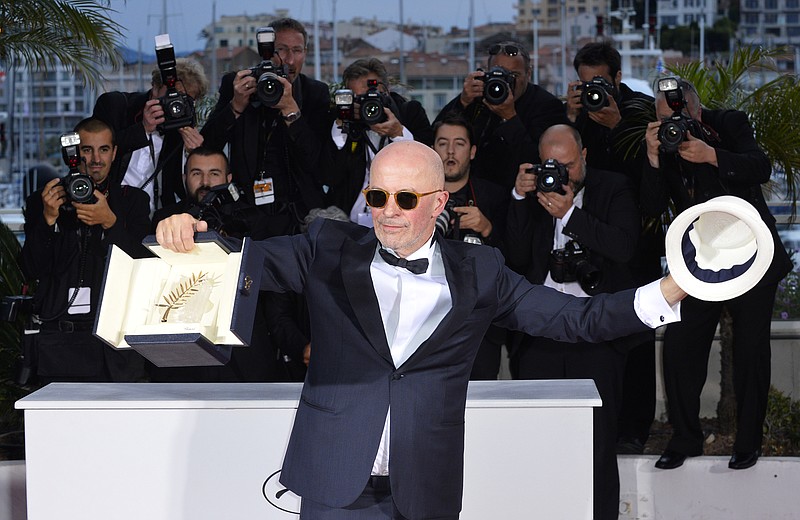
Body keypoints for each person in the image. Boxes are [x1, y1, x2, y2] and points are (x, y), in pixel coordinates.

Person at [156, 140, 686, 519]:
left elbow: (575, 318)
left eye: (405, 199)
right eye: (377, 197)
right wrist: (195, 234)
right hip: (334, 480)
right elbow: (245, 263)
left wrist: (670, 289)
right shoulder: (327, 246)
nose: (387, 212)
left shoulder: (481, 271)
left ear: (438, 203)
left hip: (424, 486)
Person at [641, 77, 791, 471]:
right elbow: (652, 206)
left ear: (694, 107)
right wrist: (654, 156)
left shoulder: (730, 123)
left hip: (753, 252)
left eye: (676, 115)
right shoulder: (663, 145)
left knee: (751, 351)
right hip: (701, 258)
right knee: (678, 346)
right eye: (662, 120)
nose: (672, 124)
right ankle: (685, 438)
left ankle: (748, 441)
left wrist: (711, 154)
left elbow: (760, 166)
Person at [505, 124, 641, 520]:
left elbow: (624, 247)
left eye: (567, 165)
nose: (559, 174)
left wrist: (571, 215)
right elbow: (513, 253)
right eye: (551, 165)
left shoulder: (613, 188)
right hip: (539, 332)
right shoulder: (532, 193)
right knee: (539, 438)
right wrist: (517, 196)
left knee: (597, 441)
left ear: (584, 157)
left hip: (597, 333)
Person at [566, 40, 661, 454]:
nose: (593, 92)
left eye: (600, 82)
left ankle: (635, 427)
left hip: (634, 241)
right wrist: (570, 117)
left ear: (618, 79)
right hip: (589, 237)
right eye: (586, 83)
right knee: (593, 339)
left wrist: (617, 123)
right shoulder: (578, 118)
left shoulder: (639, 110)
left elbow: (654, 178)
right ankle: (589, 424)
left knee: (636, 336)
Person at [20, 117, 150, 384]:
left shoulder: (133, 201)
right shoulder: (44, 199)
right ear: (73, 154)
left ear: (114, 153)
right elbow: (31, 268)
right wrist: (47, 220)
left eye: (103, 149)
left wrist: (109, 222)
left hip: (116, 349)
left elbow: (144, 266)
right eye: (87, 150)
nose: (95, 159)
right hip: (61, 348)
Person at [201, 17, 330, 238]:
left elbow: (319, 163)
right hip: (246, 213)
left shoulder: (315, 93)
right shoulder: (238, 85)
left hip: (298, 215)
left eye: (297, 50)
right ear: (267, 51)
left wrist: (291, 111)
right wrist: (236, 106)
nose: (288, 59)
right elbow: (208, 146)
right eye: (281, 49)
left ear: (305, 53)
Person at [432, 113, 510, 380]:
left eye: (459, 144)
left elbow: (517, 259)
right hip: (427, 324)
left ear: (473, 151)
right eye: (442, 143)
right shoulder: (416, 197)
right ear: (432, 149)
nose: (450, 151)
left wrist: (487, 229)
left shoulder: (495, 196)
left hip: (480, 329)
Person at [434, 40, 568, 190]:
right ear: (487, 72)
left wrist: (510, 117)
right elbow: (435, 135)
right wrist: (463, 102)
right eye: (498, 73)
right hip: (475, 192)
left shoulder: (547, 105)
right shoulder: (477, 97)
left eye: (514, 75)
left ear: (528, 73)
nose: (505, 82)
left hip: (518, 195)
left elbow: (539, 159)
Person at [92, 58, 209, 213]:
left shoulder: (180, 129)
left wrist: (194, 155)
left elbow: (180, 188)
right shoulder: (116, 105)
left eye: (186, 99)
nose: (176, 105)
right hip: (108, 209)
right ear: (155, 88)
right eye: (174, 95)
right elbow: (95, 153)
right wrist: (143, 129)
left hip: (156, 219)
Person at [328, 57, 433, 225]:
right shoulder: (343, 121)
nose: (369, 106)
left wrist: (398, 133)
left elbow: (429, 162)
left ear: (387, 91)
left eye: (373, 96)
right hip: (350, 221)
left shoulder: (409, 113)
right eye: (360, 99)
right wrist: (343, 125)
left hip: (401, 215)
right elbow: (330, 174)